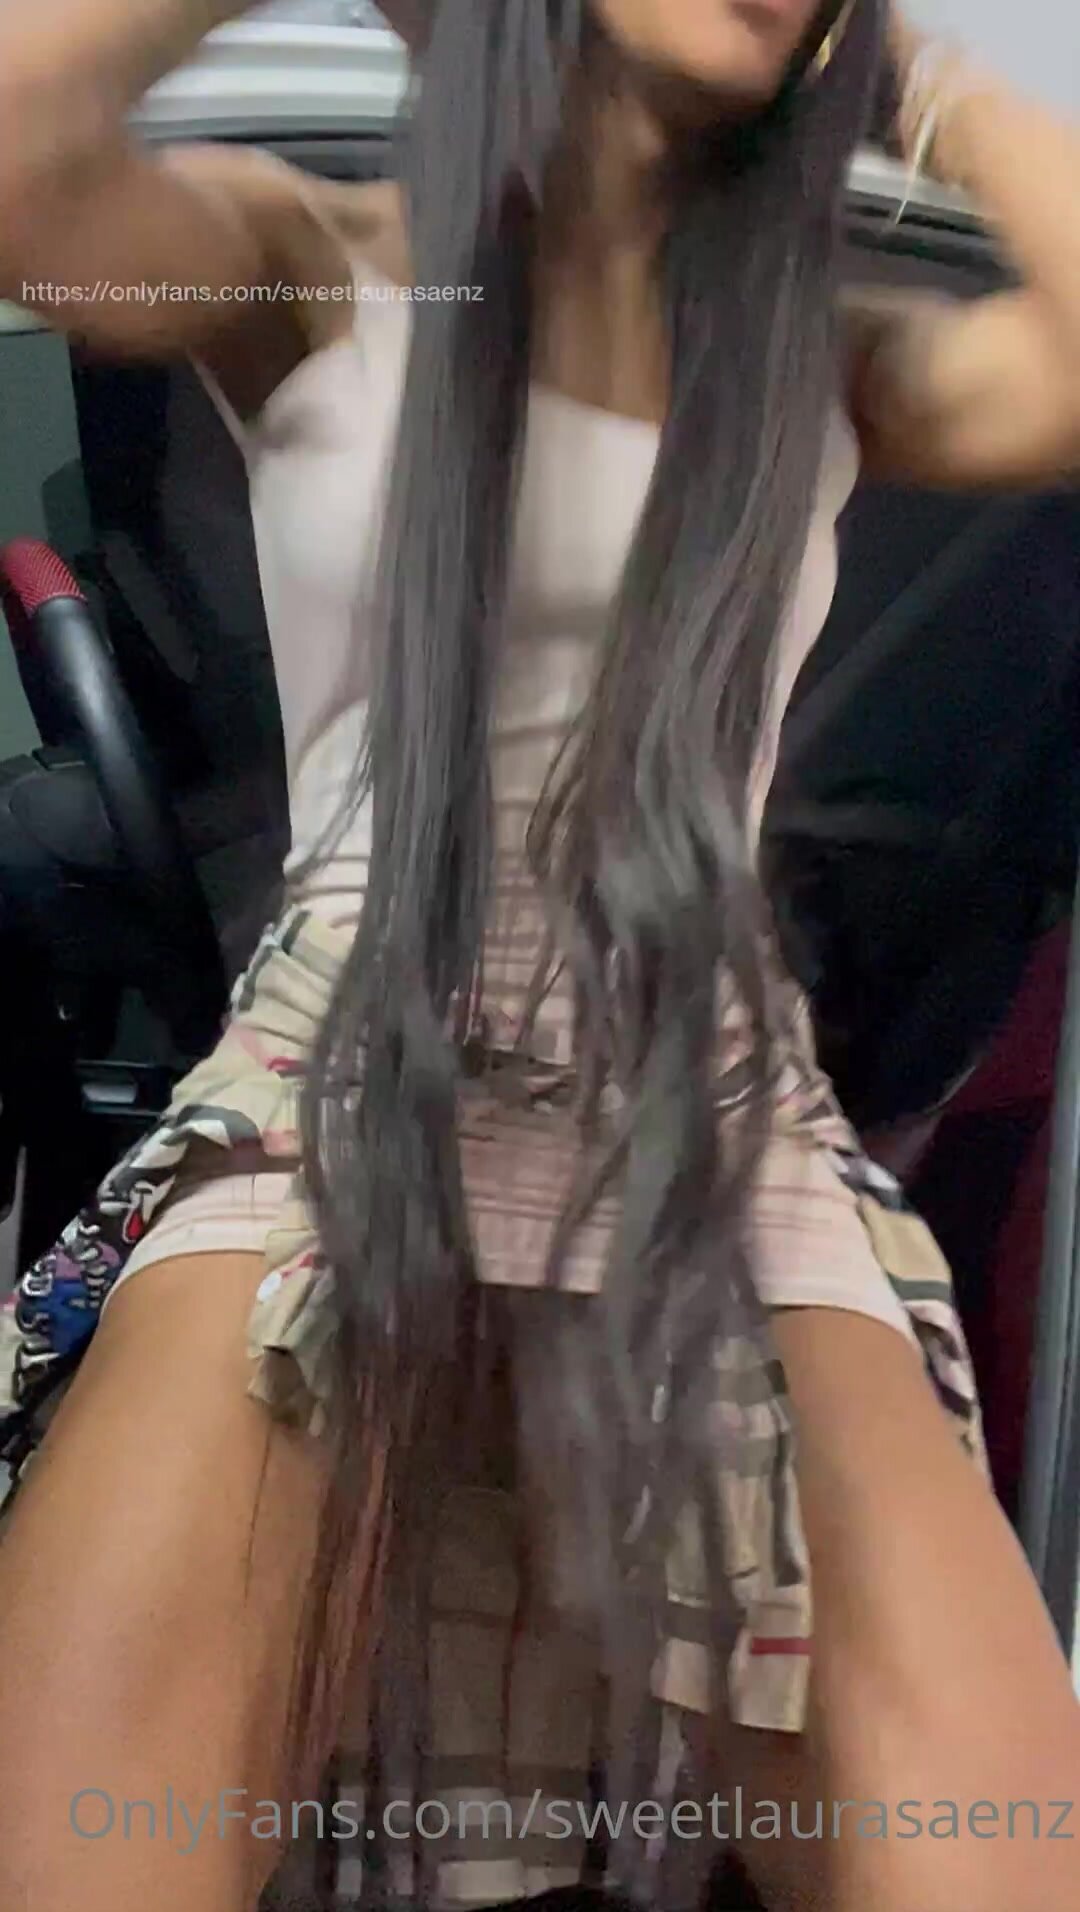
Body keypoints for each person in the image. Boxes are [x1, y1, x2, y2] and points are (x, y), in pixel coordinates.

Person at [0, 3, 1078, 1910]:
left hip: (720, 1095)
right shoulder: (313, 269)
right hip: (347, 1055)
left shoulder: (813, 352)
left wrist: (915, 70)